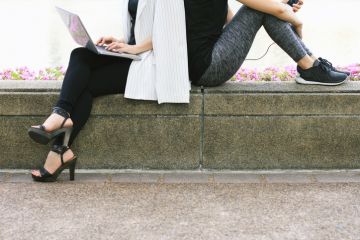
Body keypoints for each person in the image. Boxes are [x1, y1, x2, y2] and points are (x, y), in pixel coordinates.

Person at [27, 0, 190, 182]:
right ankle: (61, 118)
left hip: (154, 63)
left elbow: (170, 32)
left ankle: (59, 145)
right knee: (80, 54)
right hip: (135, 55)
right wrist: (121, 42)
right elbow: (141, 26)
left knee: (86, 84)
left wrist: (133, 48)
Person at [184, 0, 350, 88]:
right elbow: (268, 10)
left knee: (267, 8)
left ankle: (313, 64)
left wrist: (281, 8)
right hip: (208, 68)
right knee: (262, 8)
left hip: (202, 64)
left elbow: (234, 26)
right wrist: (294, 21)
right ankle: (310, 67)